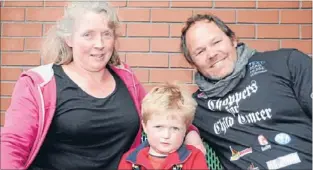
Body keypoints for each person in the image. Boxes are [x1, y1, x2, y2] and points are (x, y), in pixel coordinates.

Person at [0, 1, 204, 169]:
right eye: (88, 35)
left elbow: (160, 111)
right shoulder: (40, 83)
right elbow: (11, 146)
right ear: (68, 38)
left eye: (106, 34)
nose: (99, 44)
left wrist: (191, 132)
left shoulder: (125, 77)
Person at [180, 14, 312, 170]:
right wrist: (190, 131)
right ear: (192, 62)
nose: (211, 54)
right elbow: (160, 121)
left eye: (216, 42)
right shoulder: (196, 107)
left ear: (233, 40)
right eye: (200, 51)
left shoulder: (287, 63)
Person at [118, 83, 209, 170]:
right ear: (145, 126)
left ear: (185, 129)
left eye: (175, 128)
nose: (166, 135)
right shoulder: (129, 160)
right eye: (159, 127)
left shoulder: (194, 158)